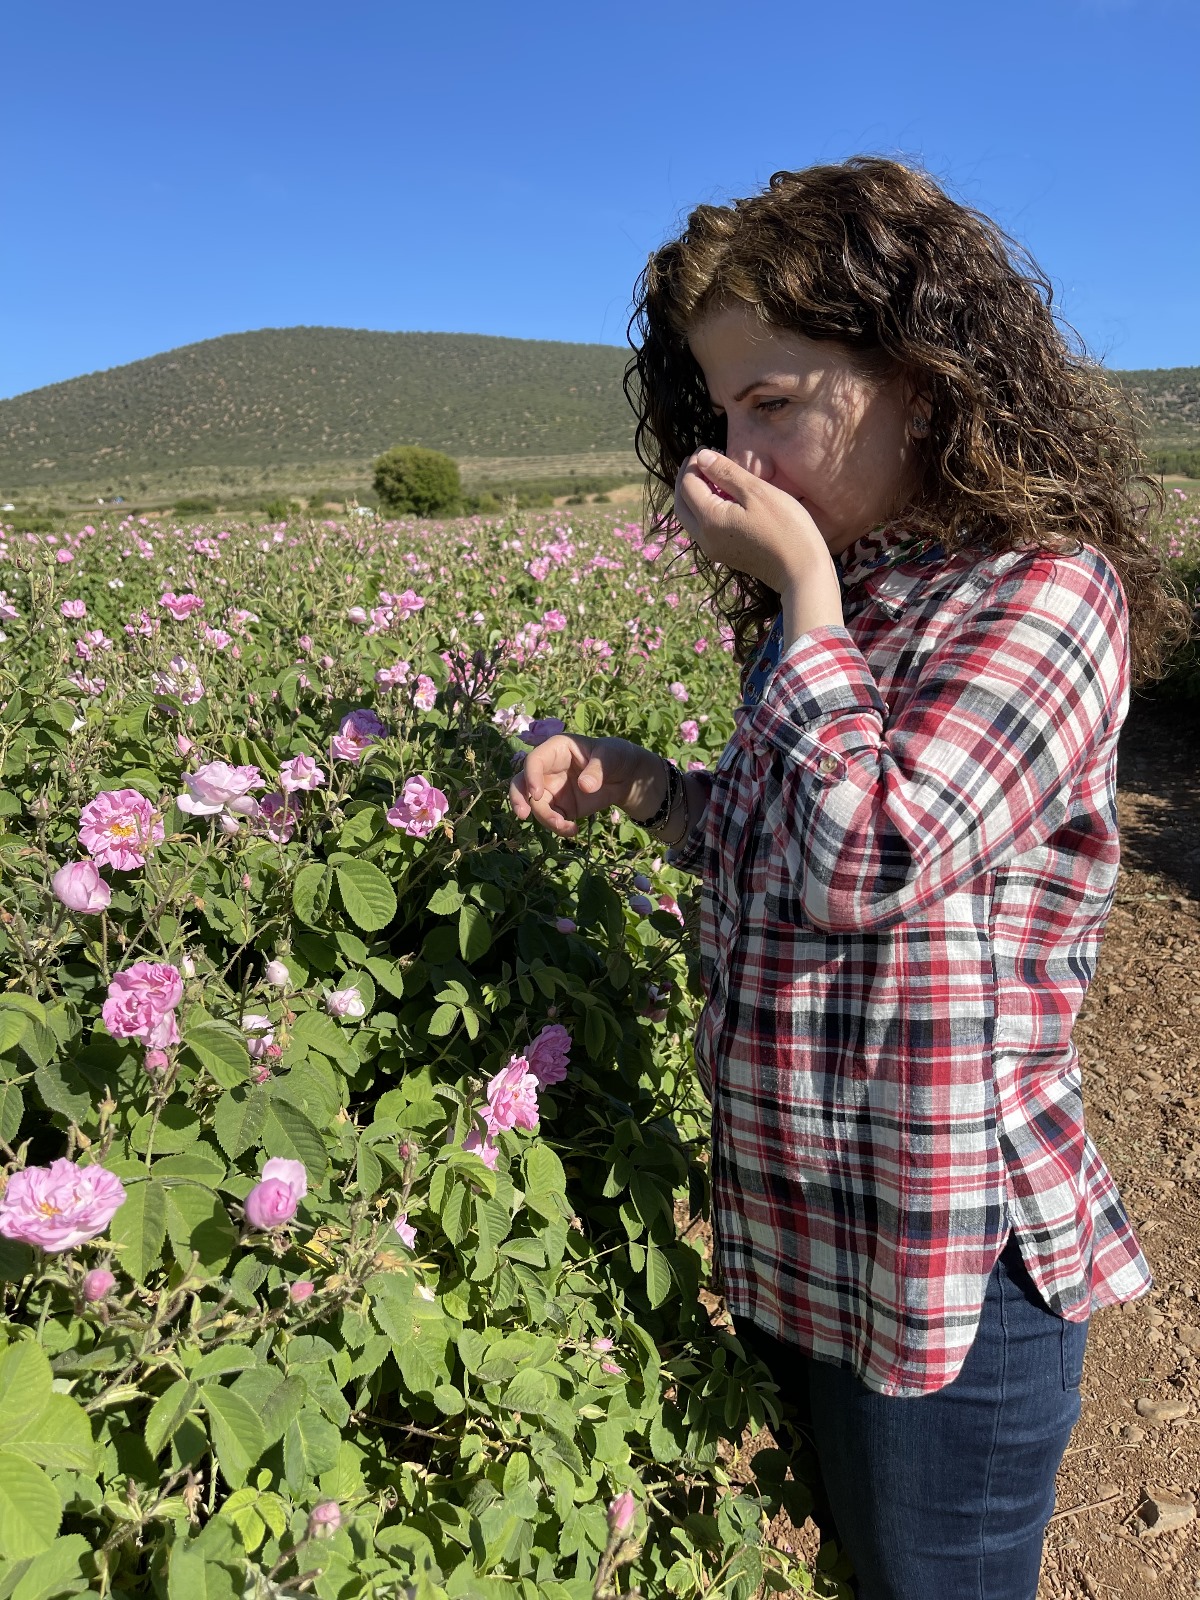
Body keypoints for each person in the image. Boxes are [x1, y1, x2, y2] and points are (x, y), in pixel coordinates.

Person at [507, 157, 1192, 1599]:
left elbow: (866, 859)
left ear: (923, 382)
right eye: (719, 409)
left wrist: (803, 593)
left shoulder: (1046, 591)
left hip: (952, 1262)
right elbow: (770, 843)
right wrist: (644, 785)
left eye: (775, 401)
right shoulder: (856, 592)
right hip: (806, 1231)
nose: (737, 454)